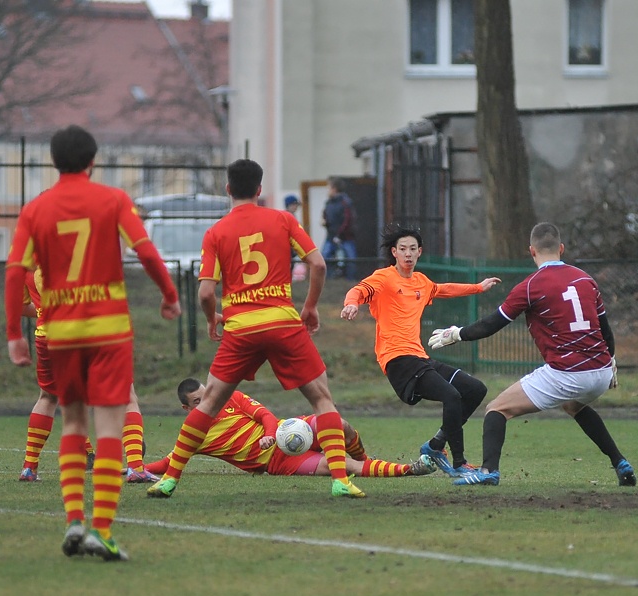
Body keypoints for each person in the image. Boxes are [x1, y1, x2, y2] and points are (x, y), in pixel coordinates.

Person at [5, 124, 181, 561]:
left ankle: (74, 522)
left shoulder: (35, 209)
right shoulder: (113, 200)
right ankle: (101, 529)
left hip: (60, 332)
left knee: (72, 424)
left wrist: (14, 334)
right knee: (108, 426)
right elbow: (144, 251)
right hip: (108, 330)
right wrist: (170, 295)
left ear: (53, 161)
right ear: (93, 160)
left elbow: (14, 273)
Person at [147, 158, 365, 500]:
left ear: (228, 189)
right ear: (260, 190)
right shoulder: (282, 219)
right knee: (323, 400)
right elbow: (318, 264)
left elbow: (205, 292)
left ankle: (170, 479)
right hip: (282, 321)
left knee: (208, 405)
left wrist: (211, 318)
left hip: (241, 329)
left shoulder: (216, 232)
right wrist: (308, 307)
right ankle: (340, 479)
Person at [427, 222, 636, 487]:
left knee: (496, 409)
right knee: (574, 406)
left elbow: (491, 325)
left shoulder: (530, 286)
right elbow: (606, 332)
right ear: (561, 248)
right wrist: (612, 364)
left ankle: (489, 470)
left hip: (567, 372)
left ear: (531, 251)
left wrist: (457, 334)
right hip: (602, 372)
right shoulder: (586, 280)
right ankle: (620, 462)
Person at [340, 224, 501, 477]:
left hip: (419, 358)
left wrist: (478, 287)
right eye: (402, 249)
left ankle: (436, 445)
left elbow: (443, 289)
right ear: (394, 252)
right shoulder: (383, 278)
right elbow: (359, 290)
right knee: (452, 396)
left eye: (412, 249)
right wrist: (351, 304)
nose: (407, 253)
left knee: (475, 389)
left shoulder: (421, 282)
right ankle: (458, 464)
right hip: (397, 360)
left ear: (419, 252)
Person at [18, 268, 159, 484]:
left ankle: (29, 468)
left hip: (49, 336)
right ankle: (136, 468)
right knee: (126, 396)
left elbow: (21, 306)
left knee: (48, 397)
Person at [144, 378, 436, 478]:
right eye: (198, 401)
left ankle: (365, 459)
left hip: (288, 431)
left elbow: (266, 417)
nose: (208, 401)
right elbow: (171, 462)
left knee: (339, 423)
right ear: (187, 409)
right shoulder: (193, 434)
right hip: (280, 462)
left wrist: (271, 436)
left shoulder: (231, 396)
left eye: (207, 394)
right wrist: (136, 469)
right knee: (340, 466)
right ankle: (408, 470)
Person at [320, 177, 357, 280]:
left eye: (329, 188)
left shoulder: (345, 203)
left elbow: (347, 219)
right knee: (325, 258)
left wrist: (340, 233)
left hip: (345, 236)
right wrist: (325, 221)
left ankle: (350, 280)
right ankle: (328, 279)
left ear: (334, 189)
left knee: (350, 259)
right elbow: (325, 214)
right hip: (331, 236)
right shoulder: (329, 203)